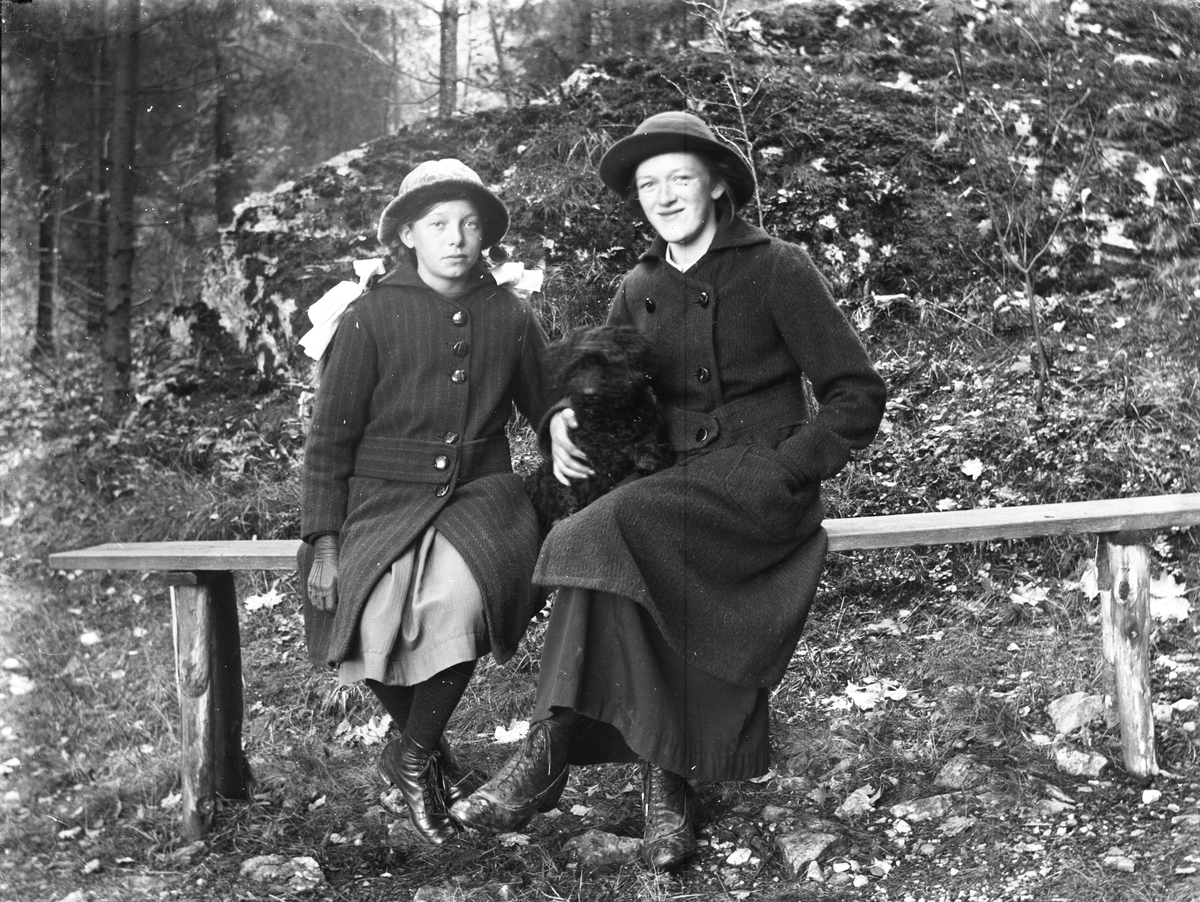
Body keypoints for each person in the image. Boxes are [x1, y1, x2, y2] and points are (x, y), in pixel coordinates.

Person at [450, 112, 887, 870]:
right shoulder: (640, 285)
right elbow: (604, 379)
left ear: (716, 185)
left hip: (755, 488)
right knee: (622, 549)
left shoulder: (776, 267)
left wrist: (790, 466)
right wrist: (563, 414)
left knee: (603, 530)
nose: (665, 195)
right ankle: (665, 784)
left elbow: (856, 393)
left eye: (680, 177)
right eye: (649, 184)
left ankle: (549, 747)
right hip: (668, 489)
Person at [297, 159, 549, 845]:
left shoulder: (510, 315)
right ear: (408, 235)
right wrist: (325, 543)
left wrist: (573, 446)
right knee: (365, 607)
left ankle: (410, 757)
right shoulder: (370, 317)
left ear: (486, 235)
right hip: (379, 500)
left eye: (469, 224)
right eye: (437, 224)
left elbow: (549, 408)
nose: (455, 238)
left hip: (482, 496)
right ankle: (434, 758)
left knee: (464, 599)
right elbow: (328, 442)